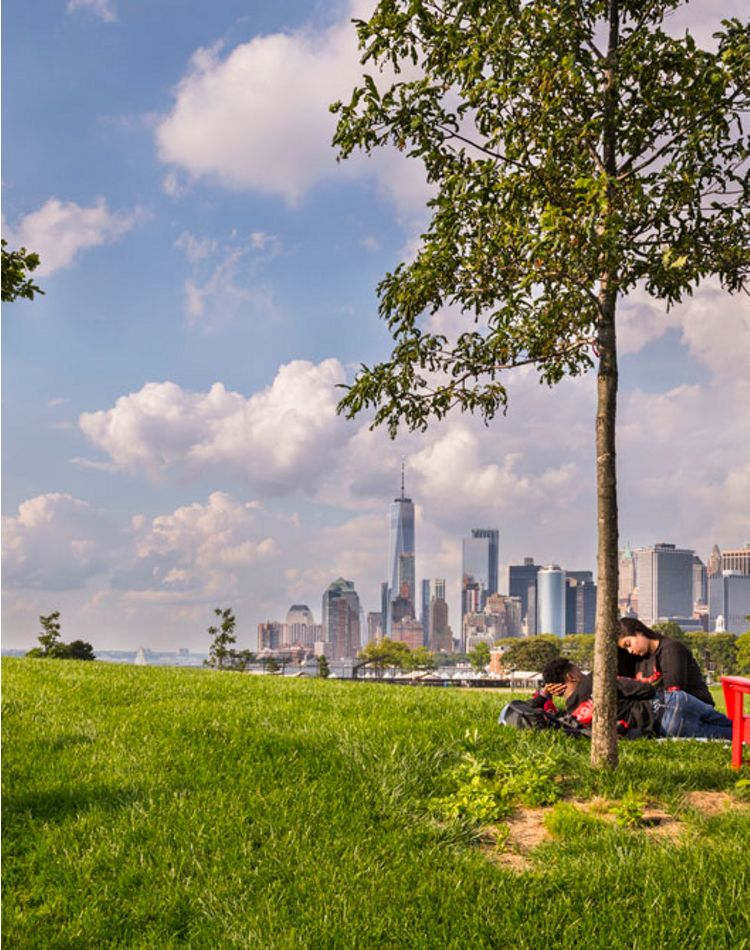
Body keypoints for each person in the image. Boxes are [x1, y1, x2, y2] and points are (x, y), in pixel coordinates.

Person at [541, 657, 732, 740]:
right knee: (735, 725)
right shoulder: (595, 679)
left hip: (665, 726)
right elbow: (645, 690)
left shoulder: (573, 717)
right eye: (577, 669)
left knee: (734, 736)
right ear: (571, 676)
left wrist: (544, 695)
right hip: (669, 703)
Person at [617, 617, 714, 705]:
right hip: (664, 709)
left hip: (695, 708)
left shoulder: (671, 650)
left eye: (628, 644)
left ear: (639, 632)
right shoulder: (636, 660)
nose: (630, 651)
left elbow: (674, 695)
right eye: (625, 649)